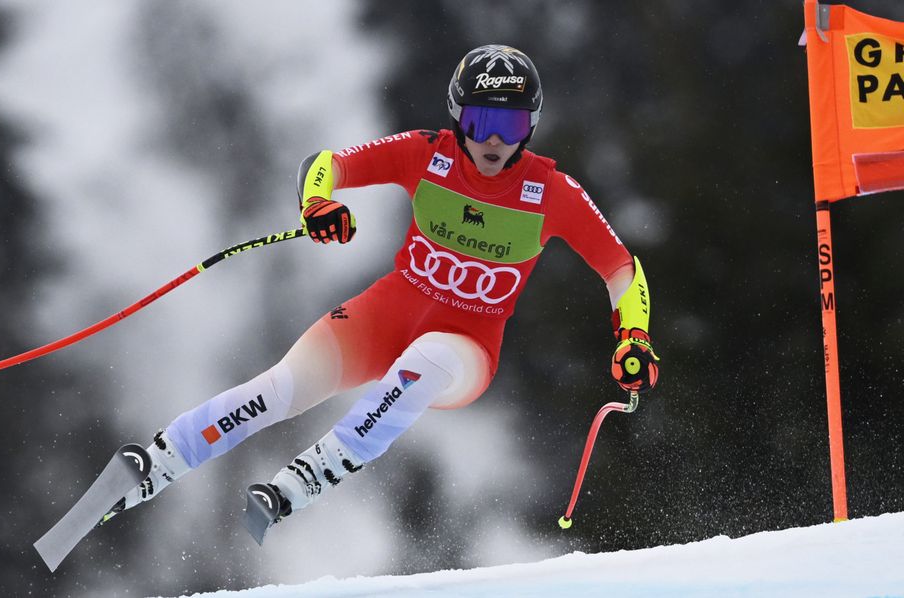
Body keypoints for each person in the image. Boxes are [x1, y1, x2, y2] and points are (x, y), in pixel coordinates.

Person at [105, 45, 659, 528]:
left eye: (509, 126)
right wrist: (318, 204)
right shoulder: (427, 152)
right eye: (479, 121)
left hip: (466, 344)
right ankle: (159, 460)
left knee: (424, 360)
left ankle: (302, 481)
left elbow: (621, 270)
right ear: (456, 117)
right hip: (389, 310)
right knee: (283, 388)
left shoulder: (552, 191)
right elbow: (326, 165)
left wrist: (633, 337)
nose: (492, 140)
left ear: (531, 127)